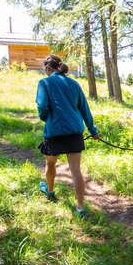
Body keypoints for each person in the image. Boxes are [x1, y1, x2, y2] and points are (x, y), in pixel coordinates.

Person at [36, 54, 99, 218]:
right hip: (74, 132)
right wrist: (93, 130)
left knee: (50, 163)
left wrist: (45, 118)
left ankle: (50, 191)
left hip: (54, 132)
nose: (45, 73)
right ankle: (80, 208)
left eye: (45, 70)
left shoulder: (44, 83)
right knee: (75, 170)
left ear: (49, 69)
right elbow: (85, 109)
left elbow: (42, 107)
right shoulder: (74, 83)